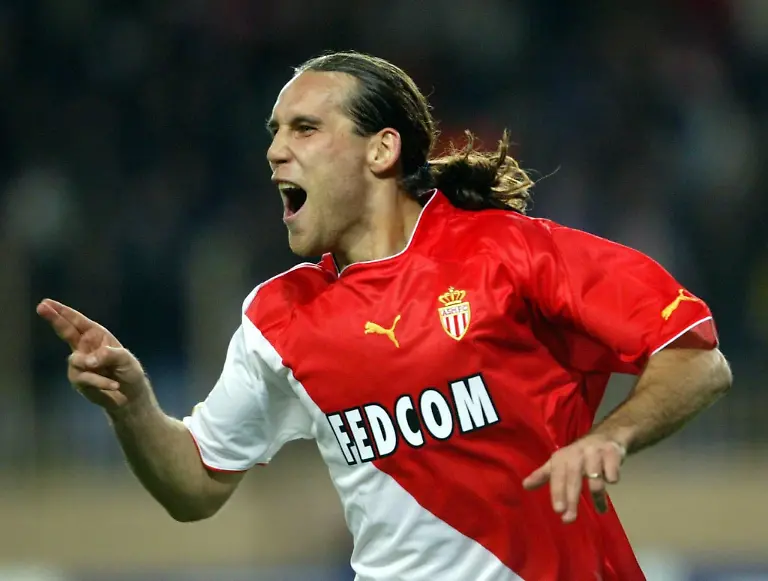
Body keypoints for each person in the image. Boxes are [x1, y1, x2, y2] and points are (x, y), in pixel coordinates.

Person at [37, 51, 732, 581]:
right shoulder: (280, 318)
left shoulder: (509, 251)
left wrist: (608, 437)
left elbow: (696, 357)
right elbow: (193, 487)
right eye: (275, 131)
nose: (277, 148)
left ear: (382, 149)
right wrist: (132, 404)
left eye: (306, 127)